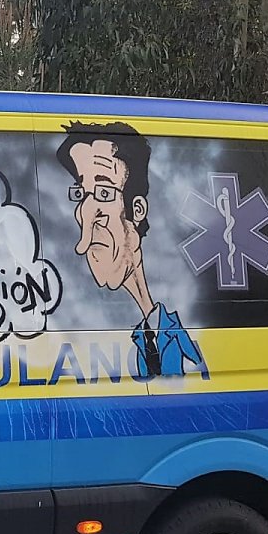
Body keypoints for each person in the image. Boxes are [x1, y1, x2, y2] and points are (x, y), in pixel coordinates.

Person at [55, 121, 206, 379]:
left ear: (137, 210)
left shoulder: (177, 333)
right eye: (81, 194)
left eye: (104, 193)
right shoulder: (79, 313)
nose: (88, 214)